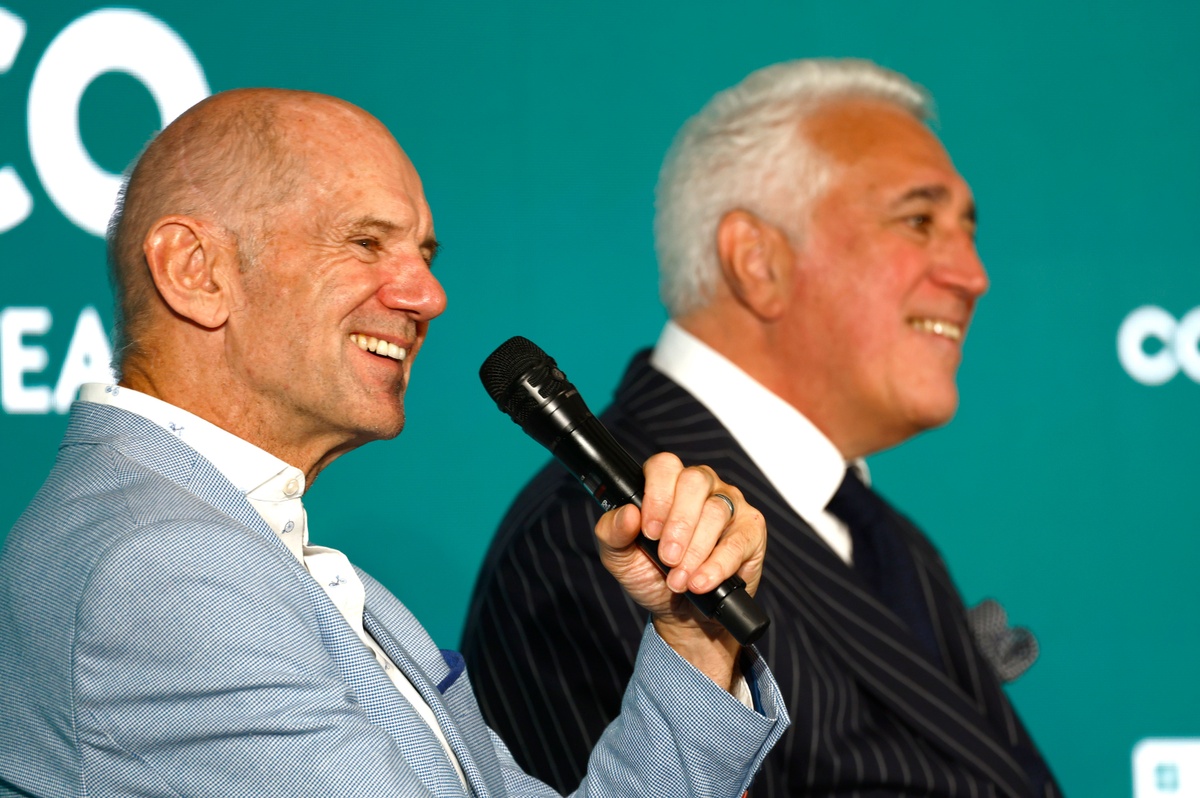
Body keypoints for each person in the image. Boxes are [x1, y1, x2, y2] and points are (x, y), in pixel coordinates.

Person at [0, 88, 789, 798]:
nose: (428, 296)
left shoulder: (298, 572)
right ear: (195, 271)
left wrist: (694, 641)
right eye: (365, 243)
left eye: (424, 255)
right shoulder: (160, 568)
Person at [462, 59, 1061, 797]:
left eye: (967, 229)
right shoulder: (601, 538)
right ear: (757, 261)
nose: (974, 276)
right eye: (918, 221)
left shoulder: (886, 537)